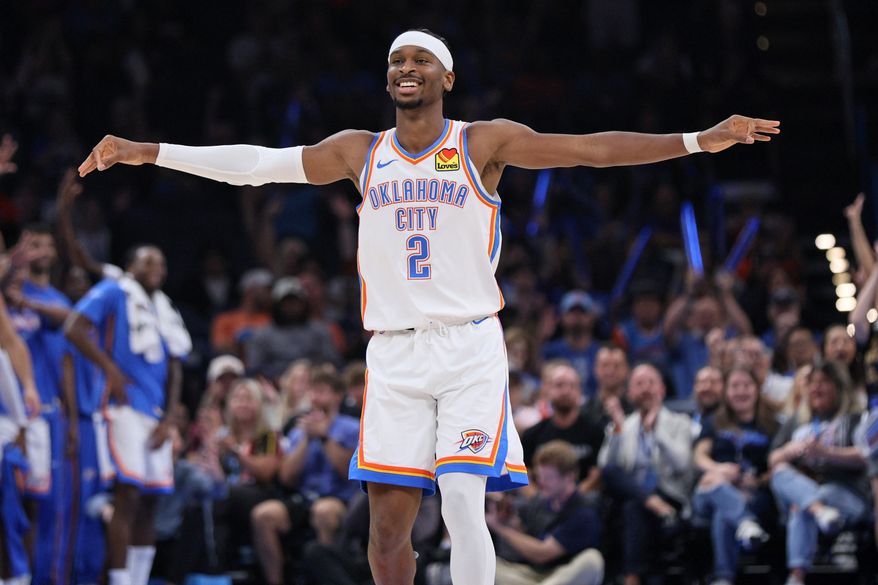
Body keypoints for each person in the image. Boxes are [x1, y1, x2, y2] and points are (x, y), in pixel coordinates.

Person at [78, 27, 779, 585]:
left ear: (447, 77)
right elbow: (258, 162)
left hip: (469, 344)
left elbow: (589, 151)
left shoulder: (483, 141)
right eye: (394, 60)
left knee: (463, 499)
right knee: (388, 531)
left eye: (419, 59)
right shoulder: (362, 151)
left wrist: (697, 139)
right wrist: (150, 151)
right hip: (393, 352)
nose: (403, 68)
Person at [64, 245, 187, 585]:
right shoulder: (114, 291)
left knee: (151, 501)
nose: (156, 267)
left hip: (156, 412)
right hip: (122, 407)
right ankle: (120, 581)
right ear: (130, 265)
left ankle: (139, 579)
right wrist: (110, 370)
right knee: (127, 496)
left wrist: (170, 419)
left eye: (161, 261)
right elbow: (74, 326)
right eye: (147, 260)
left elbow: (176, 366)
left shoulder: (164, 308)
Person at [768, 360, 869, 585]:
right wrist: (789, 450)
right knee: (780, 472)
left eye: (824, 382)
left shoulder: (856, 418)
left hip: (847, 493)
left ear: (839, 387)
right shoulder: (798, 420)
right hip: (810, 490)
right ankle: (819, 509)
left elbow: (866, 456)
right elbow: (773, 460)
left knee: (801, 505)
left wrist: (826, 453)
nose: (816, 388)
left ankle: (796, 577)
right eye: (813, 383)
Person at [598, 363, 693, 585]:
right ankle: (651, 503)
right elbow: (607, 466)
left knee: (633, 507)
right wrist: (617, 428)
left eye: (651, 382)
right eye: (639, 384)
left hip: (670, 496)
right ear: (630, 393)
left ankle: (632, 577)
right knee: (624, 491)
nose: (645, 388)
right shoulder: (625, 425)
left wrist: (656, 431)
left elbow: (683, 464)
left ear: (661, 389)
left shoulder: (680, 421)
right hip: (639, 497)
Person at [691, 367, 780, 585]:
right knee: (716, 487)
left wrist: (756, 482)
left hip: (751, 494)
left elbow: (776, 467)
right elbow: (699, 456)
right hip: (710, 491)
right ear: (726, 392)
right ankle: (746, 522)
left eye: (746, 386)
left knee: (726, 512)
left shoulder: (771, 425)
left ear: (757, 390)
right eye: (735, 386)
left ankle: (723, 578)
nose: (741, 392)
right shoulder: (713, 421)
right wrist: (718, 470)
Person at [487, 440, 604, 585]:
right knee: (485, 564)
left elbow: (542, 553)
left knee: (592, 560)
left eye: (548, 478)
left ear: (569, 477)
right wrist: (508, 521)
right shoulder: (541, 502)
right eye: (539, 477)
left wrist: (500, 528)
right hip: (533, 575)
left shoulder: (583, 512)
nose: (541, 482)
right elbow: (527, 538)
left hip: (564, 575)